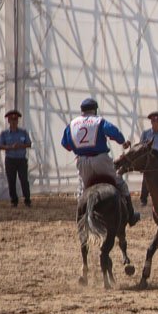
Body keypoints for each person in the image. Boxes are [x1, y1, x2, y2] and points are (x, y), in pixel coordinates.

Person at [61, 97, 139, 226]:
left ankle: (80, 220)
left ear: (82, 111)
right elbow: (115, 133)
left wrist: (80, 149)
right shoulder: (99, 121)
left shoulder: (72, 124)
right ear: (94, 110)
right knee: (120, 183)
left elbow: (66, 144)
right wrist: (122, 141)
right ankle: (131, 216)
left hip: (82, 163)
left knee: (82, 191)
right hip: (100, 160)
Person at [0, 109, 32, 207]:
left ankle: (27, 200)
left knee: (24, 180)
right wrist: (10, 147)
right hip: (10, 160)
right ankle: (14, 201)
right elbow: (0, 146)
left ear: (17, 121)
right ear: (8, 121)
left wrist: (20, 146)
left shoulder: (23, 132)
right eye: (11, 120)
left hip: (21, 160)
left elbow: (29, 144)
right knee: (11, 181)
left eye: (15, 120)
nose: (13, 122)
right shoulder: (4, 134)